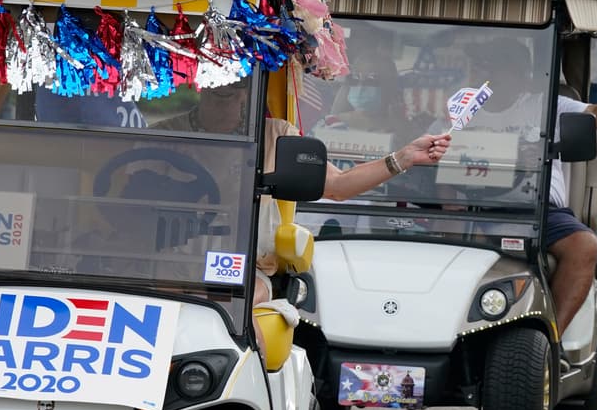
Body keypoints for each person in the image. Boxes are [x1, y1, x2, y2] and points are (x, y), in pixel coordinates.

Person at [156, 79, 450, 309]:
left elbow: (338, 186)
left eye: (237, 77)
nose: (226, 85)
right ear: (201, 80)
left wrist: (403, 158)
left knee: (231, 312)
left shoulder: (276, 136)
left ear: (249, 86)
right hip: (166, 266)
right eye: (218, 75)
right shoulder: (163, 134)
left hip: (239, 270)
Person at [463, 38, 597, 338]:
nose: (485, 72)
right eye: (483, 65)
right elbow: (436, 155)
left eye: (495, 66)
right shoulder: (464, 108)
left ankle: (552, 338)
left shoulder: (545, 106)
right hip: (470, 207)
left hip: (537, 210)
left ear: (518, 73)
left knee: (585, 245)